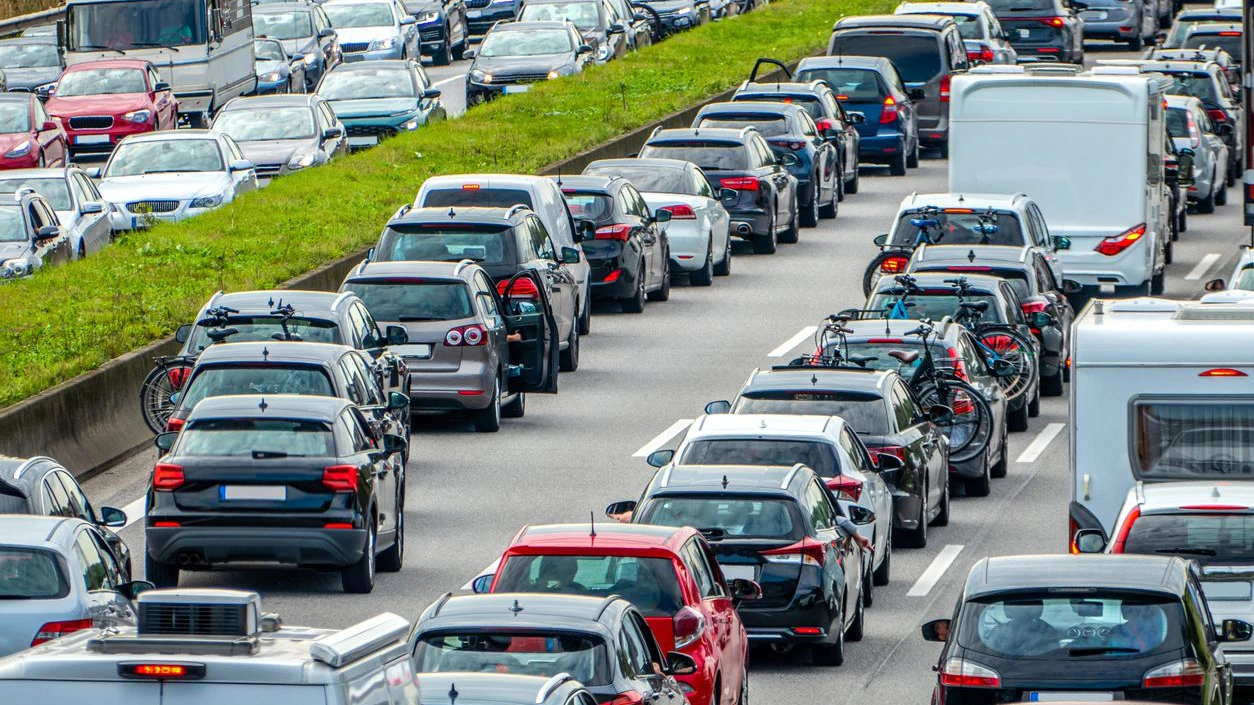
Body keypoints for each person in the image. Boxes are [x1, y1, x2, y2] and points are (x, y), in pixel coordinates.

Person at [983, 600, 1060, 656]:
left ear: (1007, 610)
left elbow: (988, 656)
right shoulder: (1047, 631)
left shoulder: (998, 632)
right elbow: (1054, 656)